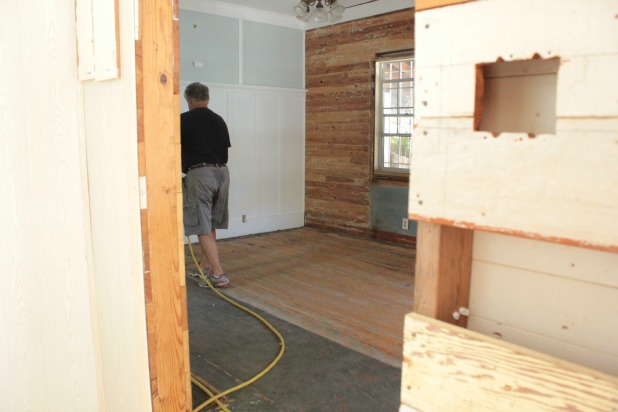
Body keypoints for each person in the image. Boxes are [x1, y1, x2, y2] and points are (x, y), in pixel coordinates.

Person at [181, 82, 231, 288]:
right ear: (207, 99)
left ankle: (218, 274)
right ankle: (205, 267)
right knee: (209, 223)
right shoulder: (219, 120)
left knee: (202, 225)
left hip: (201, 174)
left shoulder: (183, 120)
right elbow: (224, 150)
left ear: (189, 99)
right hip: (222, 173)